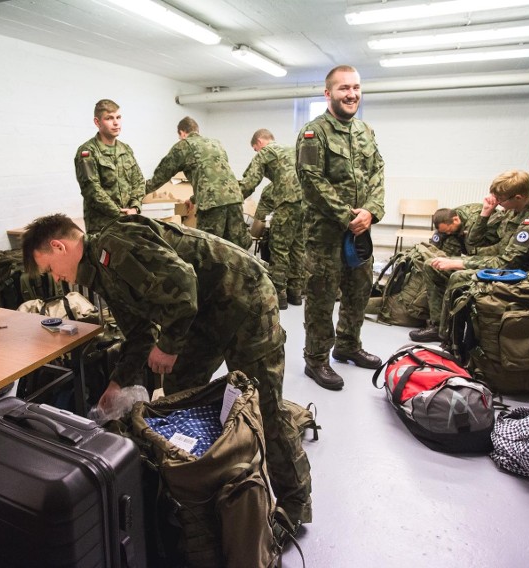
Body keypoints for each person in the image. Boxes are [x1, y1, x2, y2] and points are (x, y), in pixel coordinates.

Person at [22, 213, 312, 528]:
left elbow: (184, 283)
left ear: (59, 246)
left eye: (50, 268)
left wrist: (170, 346)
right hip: (201, 315)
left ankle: (294, 504)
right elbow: (140, 333)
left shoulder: (116, 246)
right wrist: (117, 383)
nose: (58, 278)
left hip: (245, 297)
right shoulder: (101, 272)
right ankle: (204, 482)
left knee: (264, 406)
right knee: (180, 393)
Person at [295, 64, 385, 390]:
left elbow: (378, 173)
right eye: (344, 88)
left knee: (359, 291)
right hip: (325, 236)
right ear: (328, 93)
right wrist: (350, 215)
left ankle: (348, 345)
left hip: (361, 231)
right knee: (321, 298)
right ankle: (316, 359)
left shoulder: (365, 131)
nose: (351, 94)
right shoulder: (313, 132)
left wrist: (372, 212)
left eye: (356, 88)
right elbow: (311, 181)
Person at [410, 170, 529, 342]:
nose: (497, 202)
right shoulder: (511, 212)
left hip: (519, 275)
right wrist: (485, 213)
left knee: (458, 276)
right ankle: (438, 325)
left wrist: (460, 264)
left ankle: (449, 336)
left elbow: (509, 263)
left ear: (518, 197)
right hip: (501, 264)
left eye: (500, 199)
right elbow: (474, 243)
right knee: (432, 265)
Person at [146, 116, 251, 249]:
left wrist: (137, 194)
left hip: (212, 204)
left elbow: (160, 176)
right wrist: (193, 199)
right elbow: (215, 178)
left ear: (182, 133)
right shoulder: (216, 143)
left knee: (209, 249)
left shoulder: (184, 145)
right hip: (235, 198)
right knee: (236, 249)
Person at [240, 128, 306, 310]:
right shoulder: (293, 149)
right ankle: (296, 293)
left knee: (279, 246)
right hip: (307, 202)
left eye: (255, 149)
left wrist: (234, 197)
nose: (256, 152)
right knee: (298, 247)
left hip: (287, 201)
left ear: (260, 142)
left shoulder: (266, 152)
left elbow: (250, 182)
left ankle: (280, 294)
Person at [74, 99, 145, 234]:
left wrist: (135, 207)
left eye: (118, 117)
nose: (116, 122)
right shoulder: (88, 152)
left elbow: (139, 181)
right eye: (109, 118)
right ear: (97, 122)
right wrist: (120, 213)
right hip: (102, 226)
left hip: (130, 221)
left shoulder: (126, 149)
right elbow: (91, 189)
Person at [431, 203, 502, 257]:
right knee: (448, 240)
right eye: (445, 231)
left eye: (449, 230)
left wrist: (466, 263)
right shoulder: (446, 219)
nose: (448, 233)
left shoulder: (472, 220)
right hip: (467, 234)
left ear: (455, 220)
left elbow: (473, 245)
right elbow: (434, 244)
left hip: (489, 239)